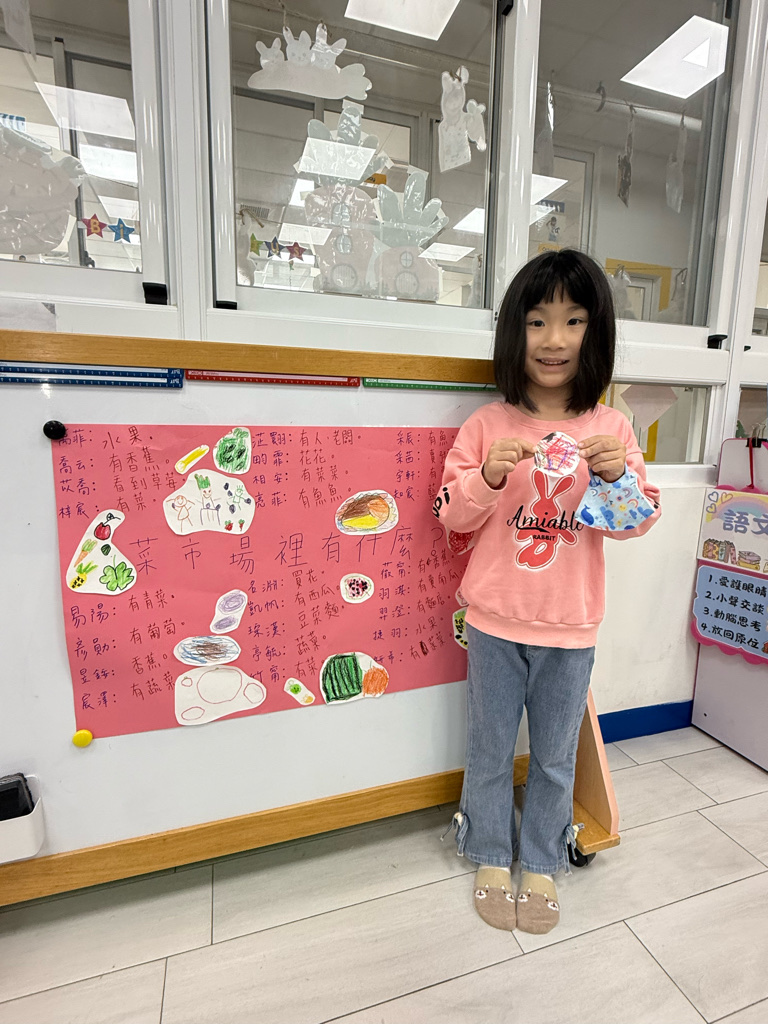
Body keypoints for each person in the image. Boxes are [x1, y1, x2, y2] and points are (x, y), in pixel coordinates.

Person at [435, 248, 660, 935]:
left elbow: (636, 521)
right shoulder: (486, 426)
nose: (554, 339)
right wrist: (487, 478)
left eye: (573, 320)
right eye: (537, 321)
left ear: (596, 332)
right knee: (489, 748)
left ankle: (540, 859)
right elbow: (450, 515)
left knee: (557, 756)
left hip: (570, 626)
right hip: (494, 623)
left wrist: (618, 477)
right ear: (515, 332)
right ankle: (487, 850)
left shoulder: (611, 427)